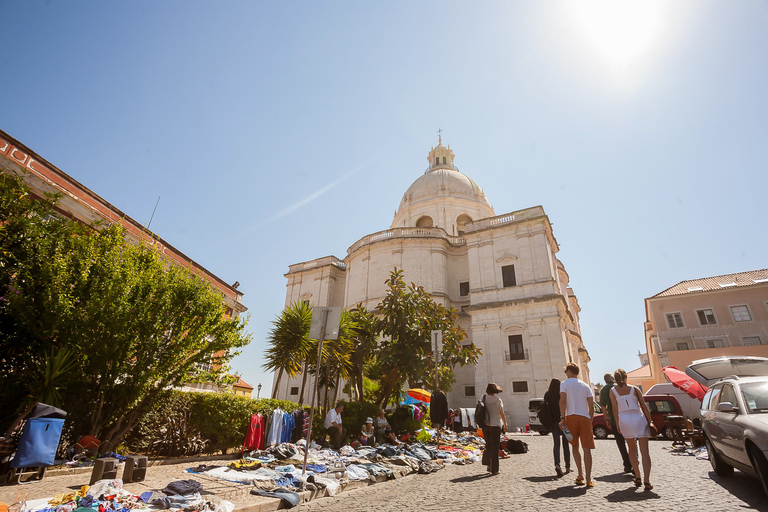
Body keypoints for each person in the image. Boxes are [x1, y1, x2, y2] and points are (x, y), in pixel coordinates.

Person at [610, 368, 654, 491]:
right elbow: (644, 406)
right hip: (638, 417)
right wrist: (650, 421)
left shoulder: (613, 391)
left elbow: (614, 409)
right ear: (625, 378)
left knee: (631, 449)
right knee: (644, 451)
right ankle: (647, 480)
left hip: (624, 419)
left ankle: (637, 476)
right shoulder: (634, 389)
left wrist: (618, 423)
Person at [559, 362, 596, 488]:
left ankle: (580, 474)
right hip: (585, 417)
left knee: (574, 446)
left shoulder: (564, 384)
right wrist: (590, 420)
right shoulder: (586, 386)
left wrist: (562, 418)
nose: (566, 374)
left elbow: (562, 401)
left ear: (569, 371)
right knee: (587, 449)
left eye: (566, 372)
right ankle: (589, 479)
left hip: (570, 417)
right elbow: (591, 406)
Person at [599, 372, 633, 474]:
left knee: (621, 443)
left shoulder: (604, 390)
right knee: (632, 442)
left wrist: (606, 419)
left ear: (605, 380)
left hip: (614, 420)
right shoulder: (619, 387)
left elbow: (603, 406)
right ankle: (634, 461)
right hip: (626, 417)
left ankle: (627, 464)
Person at [544, 378, 570, 477]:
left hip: (553, 422)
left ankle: (557, 464)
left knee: (556, 444)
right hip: (564, 421)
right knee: (566, 443)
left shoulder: (547, 394)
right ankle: (567, 466)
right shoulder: (561, 394)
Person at [481, 382, 508, 476]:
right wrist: (505, 424)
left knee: (488, 445)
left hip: (486, 425)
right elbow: (502, 413)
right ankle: (494, 469)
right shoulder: (498, 400)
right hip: (496, 425)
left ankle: (488, 464)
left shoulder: (483, 398)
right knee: (495, 447)